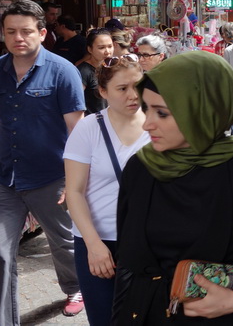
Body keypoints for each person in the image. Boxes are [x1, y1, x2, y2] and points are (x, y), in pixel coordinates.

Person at [111, 52, 233, 324]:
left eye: (163, 113)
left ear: (201, 110)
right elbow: (129, 263)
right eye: (147, 108)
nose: (147, 124)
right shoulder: (142, 167)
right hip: (153, 313)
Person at [0, 0, 86, 324]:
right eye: (11, 31)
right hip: (4, 178)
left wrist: (74, 181)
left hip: (51, 177)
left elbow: (78, 130)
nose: (18, 38)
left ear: (42, 33)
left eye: (26, 31)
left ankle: (74, 288)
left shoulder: (63, 71)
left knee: (64, 242)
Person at [63, 54, 147, 326]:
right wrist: (94, 245)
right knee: (105, 318)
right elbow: (74, 192)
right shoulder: (89, 128)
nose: (133, 95)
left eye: (138, 85)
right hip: (100, 241)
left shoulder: (157, 124)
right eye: (122, 89)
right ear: (103, 92)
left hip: (148, 239)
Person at [78, 28, 115, 115]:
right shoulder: (84, 71)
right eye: (101, 48)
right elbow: (75, 101)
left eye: (110, 46)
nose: (107, 52)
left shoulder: (112, 67)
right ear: (90, 49)